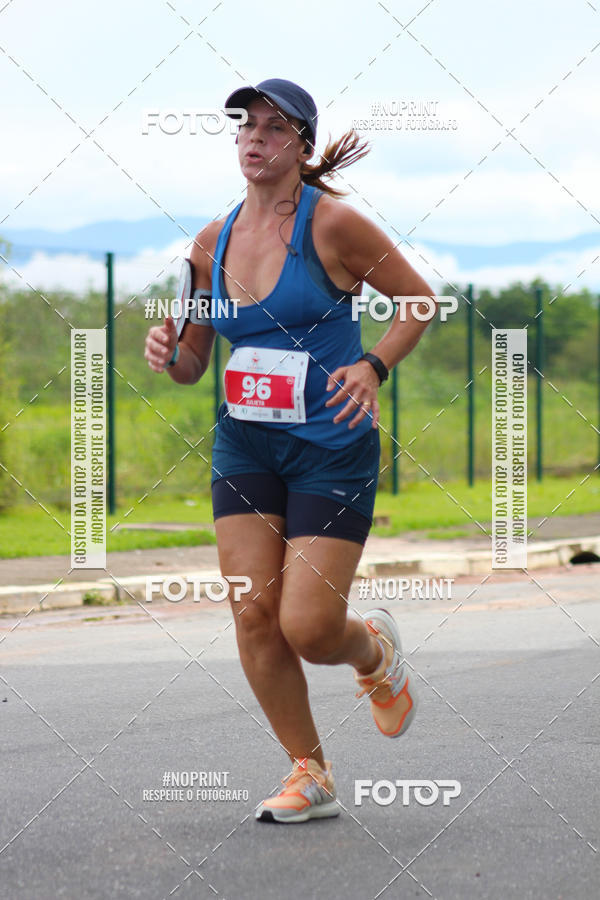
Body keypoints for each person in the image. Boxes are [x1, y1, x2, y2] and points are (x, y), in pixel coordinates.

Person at [144, 78, 436, 824]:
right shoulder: (210, 242)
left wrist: (372, 366)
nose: (256, 138)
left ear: (302, 146)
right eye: (247, 125)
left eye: (275, 128)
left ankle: (372, 652)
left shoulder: (333, 225)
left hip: (331, 446)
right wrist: (168, 351)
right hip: (246, 443)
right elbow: (193, 361)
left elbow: (419, 301)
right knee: (253, 612)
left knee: (308, 628)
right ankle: (311, 772)